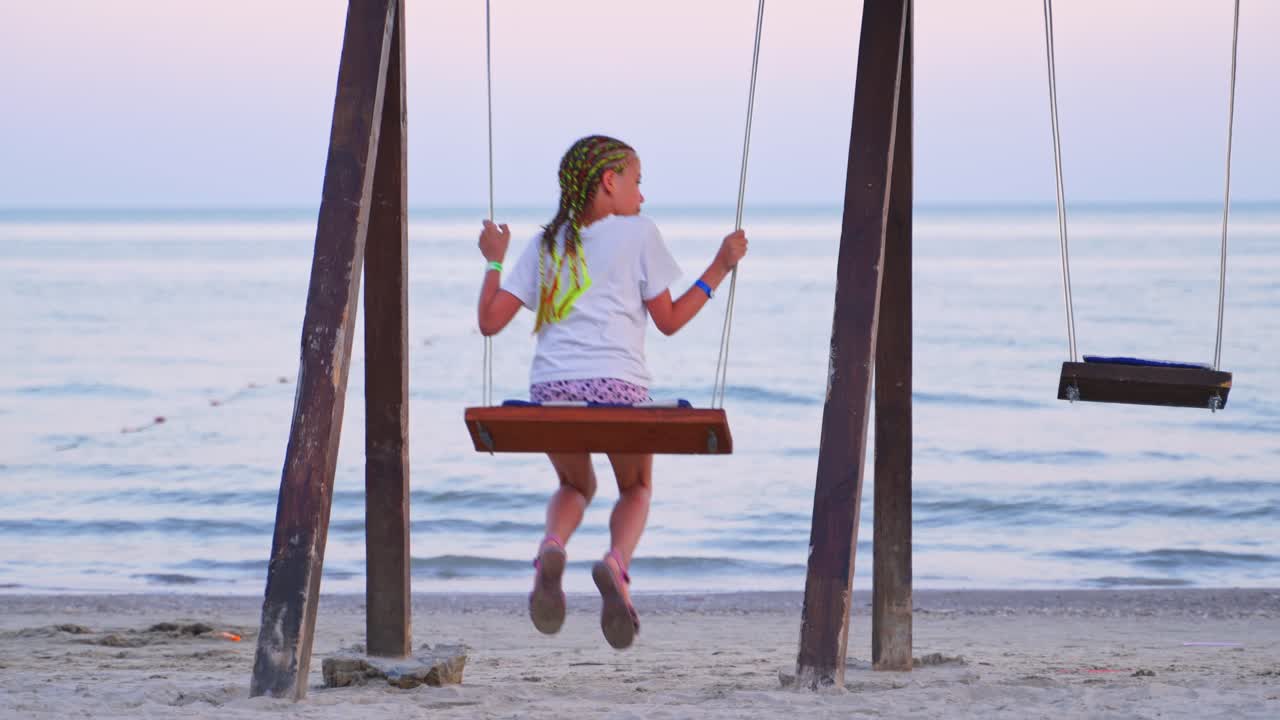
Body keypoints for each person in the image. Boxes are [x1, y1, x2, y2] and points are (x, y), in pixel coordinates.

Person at [475, 134, 748, 649]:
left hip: (551, 394)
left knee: (576, 486)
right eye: (637, 182)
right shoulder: (639, 233)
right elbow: (669, 321)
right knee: (635, 488)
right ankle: (615, 564)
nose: (641, 196)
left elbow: (490, 322)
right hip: (618, 390)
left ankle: (553, 545)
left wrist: (493, 259)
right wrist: (720, 267)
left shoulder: (543, 244)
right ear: (609, 182)